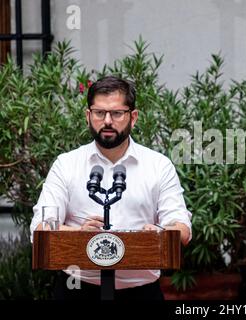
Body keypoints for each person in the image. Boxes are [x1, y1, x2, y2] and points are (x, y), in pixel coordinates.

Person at [29, 76, 192, 300]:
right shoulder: (67, 164)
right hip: (77, 288)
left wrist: (162, 234)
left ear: (133, 117)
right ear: (88, 116)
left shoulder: (158, 165)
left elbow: (182, 228)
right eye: (99, 113)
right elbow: (40, 228)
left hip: (140, 292)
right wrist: (80, 235)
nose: (107, 121)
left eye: (116, 113)